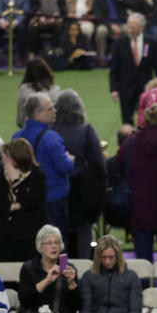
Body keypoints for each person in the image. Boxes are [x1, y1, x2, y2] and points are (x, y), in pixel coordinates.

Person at [113, 103, 157, 262]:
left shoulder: (132, 142)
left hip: (138, 208)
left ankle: (142, 286)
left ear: (145, 121)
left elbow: (117, 165)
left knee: (142, 262)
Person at [12, 93, 75, 240]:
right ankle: (62, 264)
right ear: (37, 114)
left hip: (25, 200)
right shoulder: (51, 137)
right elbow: (64, 167)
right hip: (53, 200)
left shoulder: (16, 136)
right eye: (49, 108)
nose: (55, 111)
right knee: (58, 244)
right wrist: (69, 159)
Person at [52, 90, 106, 259]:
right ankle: (83, 277)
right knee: (83, 234)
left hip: (57, 191)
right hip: (82, 192)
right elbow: (99, 165)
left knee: (58, 239)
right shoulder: (87, 131)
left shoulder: (50, 130)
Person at [0, 139, 48, 262]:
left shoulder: (36, 175)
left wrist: (16, 180)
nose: (3, 159)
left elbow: (35, 200)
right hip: (4, 234)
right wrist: (13, 206)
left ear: (19, 157)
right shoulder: (0, 176)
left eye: (7, 156)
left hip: (29, 233)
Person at [109, 13, 157, 126]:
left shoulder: (151, 43)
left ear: (142, 28)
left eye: (133, 27)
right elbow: (114, 68)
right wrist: (114, 89)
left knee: (147, 120)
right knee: (126, 121)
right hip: (125, 87)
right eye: (129, 26)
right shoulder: (119, 42)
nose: (130, 30)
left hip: (146, 88)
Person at [15, 58, 61, 129]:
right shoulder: (56, 89)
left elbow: (20, 118)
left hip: (30, 128)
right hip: (53, 128)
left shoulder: (24, 89)